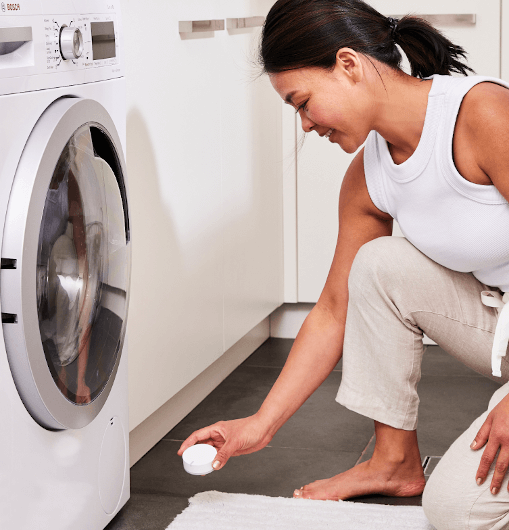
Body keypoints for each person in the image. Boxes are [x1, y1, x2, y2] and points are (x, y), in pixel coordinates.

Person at [178, 0, 509, 526]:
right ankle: (393, 462)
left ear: (349, 65)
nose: (306, 125)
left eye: (303, 102)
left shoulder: (481, 114)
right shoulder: (369, 176)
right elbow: (335, 309)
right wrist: (261, 424)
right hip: (499, 327)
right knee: (377, 264)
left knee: (458, 512)